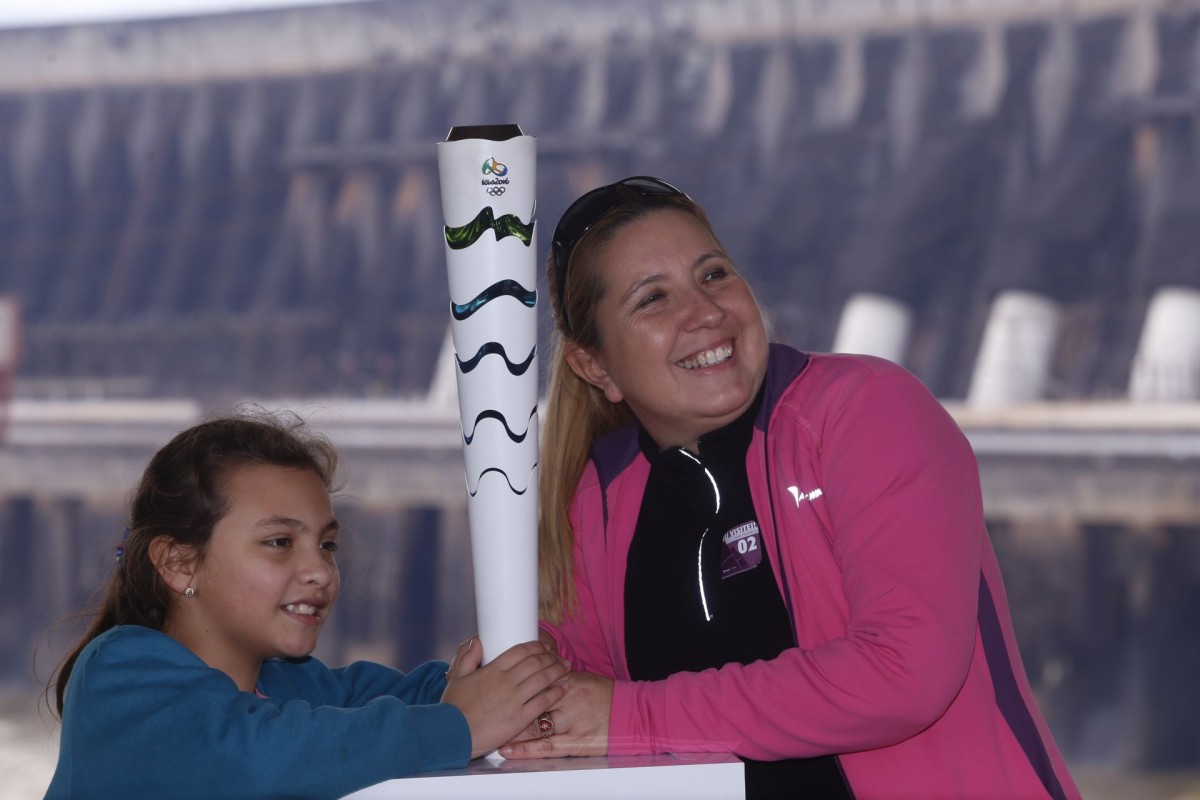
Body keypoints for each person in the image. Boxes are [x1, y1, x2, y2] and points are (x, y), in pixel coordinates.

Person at [500, 176, 1081, 799]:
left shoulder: (865, 413)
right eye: (653, 299)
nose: (705, 312)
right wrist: (495, 679)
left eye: (714, 274)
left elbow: (904, 671)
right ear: (597, 367)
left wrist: (631, 716)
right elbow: (571, 686)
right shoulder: (601, 498)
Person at [45, 409, 569, 800]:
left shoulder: (292, 682)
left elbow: (409, 695)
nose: (320, 569)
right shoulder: (119, 675)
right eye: (279, 542)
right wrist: (460, 724)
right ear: (179, 563)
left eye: (326, 544)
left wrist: (495, 681)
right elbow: (256, 759)